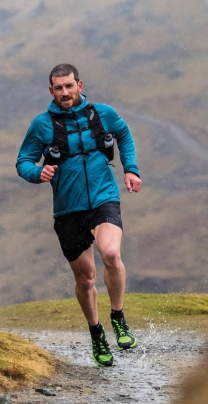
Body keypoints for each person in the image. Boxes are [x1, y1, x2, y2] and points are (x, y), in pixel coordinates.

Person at [16, 64, 142, 367]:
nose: (65, 93)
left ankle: (118, 317)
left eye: (69, 86)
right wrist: (37, 171)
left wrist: (131, 170)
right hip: (67, 210)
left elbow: (123, 135)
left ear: (79, 85)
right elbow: (23, 161)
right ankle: (96, 332)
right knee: (86, 280)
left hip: (104, 198)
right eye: (58, 88)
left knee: (111, 253)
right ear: (51, 91)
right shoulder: (42, 125)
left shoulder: (102, 114)